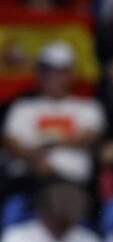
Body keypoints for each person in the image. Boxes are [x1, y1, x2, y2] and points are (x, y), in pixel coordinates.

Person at [3, 42, 106, 186]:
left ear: (70, 74)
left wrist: (46, 143)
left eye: (60, 72)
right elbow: (10, 141)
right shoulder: (23, 107)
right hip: (26, 178)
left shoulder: (87, 107)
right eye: (48, 71)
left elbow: (89, 137)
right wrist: (34, 157)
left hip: (70, 181)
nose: (53, 77)